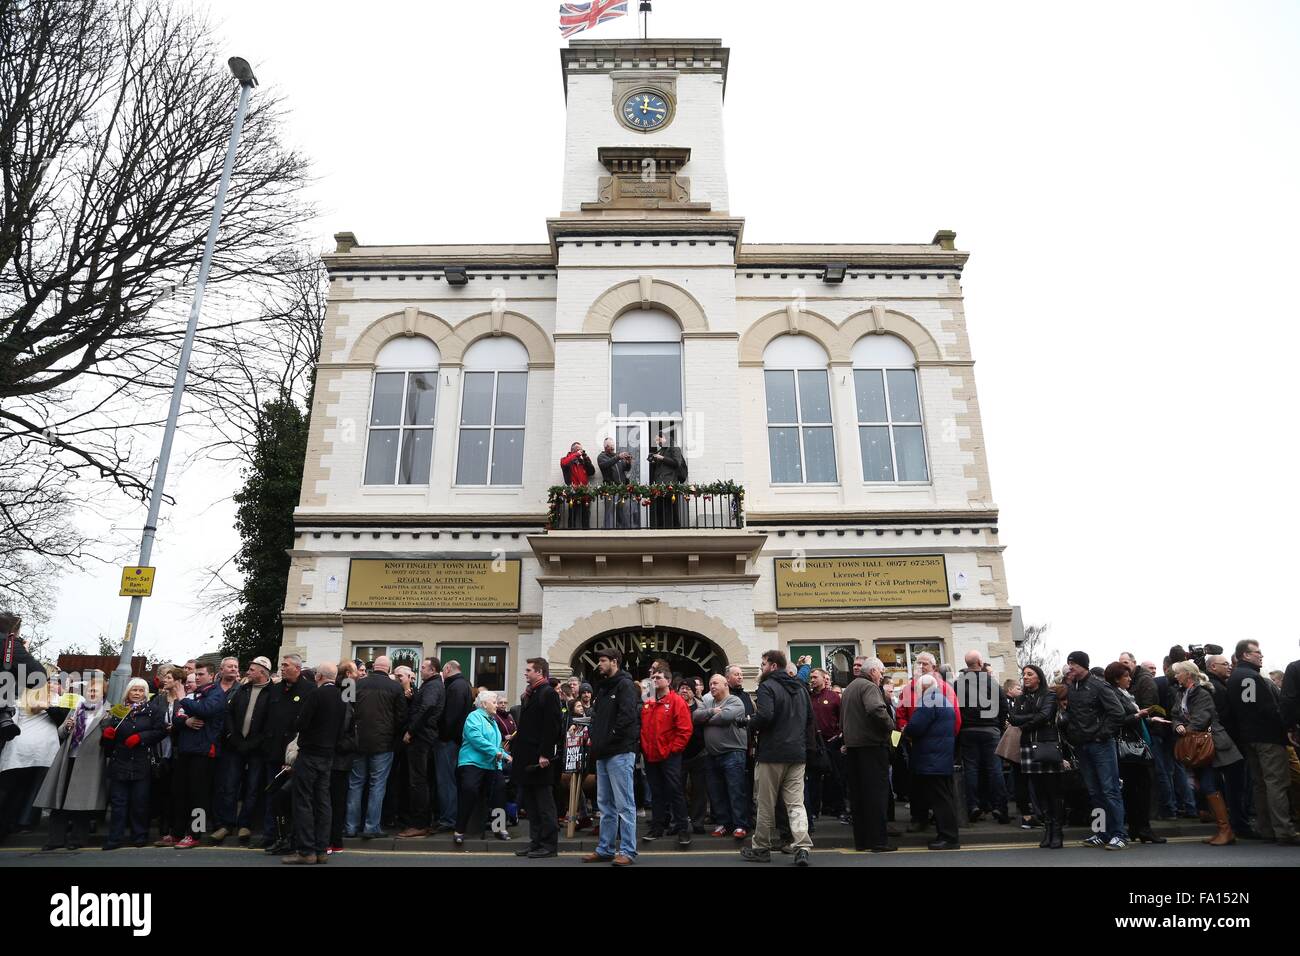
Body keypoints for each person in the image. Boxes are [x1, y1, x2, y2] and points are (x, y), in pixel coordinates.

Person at [740, 650, 814, 866]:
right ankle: (802, 846)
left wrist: (748, 722)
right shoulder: (800, 687)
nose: (761, 668)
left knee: (765, 803)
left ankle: (761, 847)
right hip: (797, 753)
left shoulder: (766, 686)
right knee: (796, 804)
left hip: (772, 753)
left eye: (763, 664)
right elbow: (809, 718)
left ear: (773, 666)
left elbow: (765, 716)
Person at [1226, 639, 1299, 844]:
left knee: (1260, 785)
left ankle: (1266, 829)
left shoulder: (1233, 678)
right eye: (1257, 652)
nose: (1261, 655)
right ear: (1245, 655)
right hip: (1268, 737)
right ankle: (1284, 831)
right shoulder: (1250, 677)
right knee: (1277, 783)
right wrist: (1286, 726)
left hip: (1247, 738)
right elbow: (1264, 709)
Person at [1169, 660, 1243, 846]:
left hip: (1211, 745)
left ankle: (1226, 831)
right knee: (1208, 786)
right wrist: (1177, 725)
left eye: (1178, 673)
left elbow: (1202, 718)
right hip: (1196, 746)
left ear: (1188, 674)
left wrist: (1186, 730)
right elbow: (1175, 714)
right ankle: (1224, 830)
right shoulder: (1181, 693)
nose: (1175, 676)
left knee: (1210, 786)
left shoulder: (1202, 693)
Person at [34, 672, 110, 851]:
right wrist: (67, 727)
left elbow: (109, 740)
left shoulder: (107, 712)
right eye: (90, 690)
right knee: (58, 800)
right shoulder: (77, 708)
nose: (92, 693)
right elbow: (61, 733)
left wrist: (107, 725)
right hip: (68, 759)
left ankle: (77, 839)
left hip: (90, 762)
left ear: (103, 693)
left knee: (81, 803)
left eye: (96, 690)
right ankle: (55, 839)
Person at [1061, 651, 1127, 850]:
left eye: (1073, 663)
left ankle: (1119, 834)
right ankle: (1101, 833)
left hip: (1101, 746)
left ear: (1083, 665)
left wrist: (1101, 734)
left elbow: (1118, 712)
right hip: (1082, 746)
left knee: (1109, 790)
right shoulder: (1072, 688)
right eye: (1069, 663)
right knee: (1094, 792)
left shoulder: (1099, 685)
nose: (1070, 667)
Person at [282, 662, 346, 865]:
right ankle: (321, 849)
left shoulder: (316, 695)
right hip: (328, 755)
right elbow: (344, 728)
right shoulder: (342, 697)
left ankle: (306, 850)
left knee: (303, 801)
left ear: (318, 676)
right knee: (323, 802)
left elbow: (301, 723)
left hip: (309, 753)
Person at [583, 648, 641, 865]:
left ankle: (627, 851)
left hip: (620, 752)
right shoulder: (604, 687)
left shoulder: (625, 685)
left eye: (603, 660)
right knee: (605, 805)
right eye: (599, 660)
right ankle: (605, 849)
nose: (599, 663)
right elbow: (598, 717)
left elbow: (627, 717)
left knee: (624, 805)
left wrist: (609, 737)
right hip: (603, 753)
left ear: (615, 662)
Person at [98, 678, 168, 850]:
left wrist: (141, 738)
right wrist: (106, 737)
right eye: (134, 690)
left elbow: (160, 731)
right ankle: (114, 838)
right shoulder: (118, 710)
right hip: (119, 761)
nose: (137, 693)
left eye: (140, 690)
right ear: (127, 692)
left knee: (140, 802)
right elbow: (107, 745)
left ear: (145, 692)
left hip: (142, 760)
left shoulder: (154, 710)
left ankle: (140, 836)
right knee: (118, 803)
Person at [170, 660, 231, 848]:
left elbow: (205, 711)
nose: (197, 678)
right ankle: (177, 833)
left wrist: (183, 699)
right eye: (196, 675)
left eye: (201, 674)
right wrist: (186, 722)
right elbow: (177, 718)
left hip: (204, 751)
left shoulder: (216, 694)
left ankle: (195, 834)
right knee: (180, 793)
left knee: (199, 795)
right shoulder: (193, 695)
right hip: (186, 749)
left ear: (212, 676)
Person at [213, 656, 273, 846]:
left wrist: (254, 742)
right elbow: (229, 713)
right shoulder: (242, 689)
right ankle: (226, 824)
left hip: (257, 749)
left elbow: (271, 724)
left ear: (263, 672)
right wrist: (232, 736)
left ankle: (244, 824)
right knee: (230, 785)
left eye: (252, 669)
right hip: (235, 746)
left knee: (253, 786)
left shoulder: (273, 693)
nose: (247, 672)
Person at [346, 654, 407, 840]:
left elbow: (345, 710)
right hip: (383, 743)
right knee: (377, 786)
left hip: (358, 742)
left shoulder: (355, 684)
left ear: (373, 667)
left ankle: (350, 827)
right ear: (388, 669)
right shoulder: (396, 687)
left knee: (355, 784)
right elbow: (402, 717)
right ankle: (371, 827)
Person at [1104, 662, 1164, 844]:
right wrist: (1138, 715)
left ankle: (1137, 827)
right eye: (1126, 676)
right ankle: (1142, 828)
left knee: (1135, 789)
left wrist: (1148, 717)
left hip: (1135, 744)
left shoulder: (1124, 694)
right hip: (1129, 748)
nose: (1130, 679)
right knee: (1140, 788)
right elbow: (1118, 719)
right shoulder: (1114, 694)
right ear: (1116, 679)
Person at [840, 657, 895, 852]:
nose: (881, 676)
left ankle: (862, 842)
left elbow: (843, 719)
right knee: (876, 796)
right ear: (873, 672)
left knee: (859, 797)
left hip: (853, 747)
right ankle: (879, 841)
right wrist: (891, 725)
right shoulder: (870, 687)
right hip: (871, 747)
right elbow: (875, 709)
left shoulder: (850, 688)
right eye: (880, 672)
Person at [261, 654, 315, 853]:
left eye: (286, 665)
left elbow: (307, 726)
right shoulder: (274, 690)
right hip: (273, 751)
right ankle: (273, 836)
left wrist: (295, 757)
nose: (282, 668)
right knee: (272, 796)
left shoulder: (309, 690)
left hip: (294, 756)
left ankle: (291, 839)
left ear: (298, 668)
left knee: (290, 800)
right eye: (281, 665)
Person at [512, 657, 564, 858]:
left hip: (539, 759)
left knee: (544, 804)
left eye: (528, 670)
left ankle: (549, 845)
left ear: (540, 672)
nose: (525, 673)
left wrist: (545, 754)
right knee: (531, 805)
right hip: (526, 757)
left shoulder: (548, 693)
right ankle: (535, 842)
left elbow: (553, 726)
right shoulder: (530, 694)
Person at [902, 673, 962, 851]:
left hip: (931, 759)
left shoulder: (928, 701)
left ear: (923, 688)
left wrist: (906, 729)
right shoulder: (943, 700)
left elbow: (916, 727)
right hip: (940, 757)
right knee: (943, 798)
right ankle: (947, 835)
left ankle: (949, 838)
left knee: (940, 800)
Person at [1009, 665, 1064, 848]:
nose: (1025, 677)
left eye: (1029, 674)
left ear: (1038, 677)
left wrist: (1026, 723)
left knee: (1052, 791)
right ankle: (1047, 830)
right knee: (1039, 792)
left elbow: (1046, 715)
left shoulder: (1049, 695)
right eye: (1023, 674)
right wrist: (1033, 719)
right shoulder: (1021, 697)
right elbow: (1014, 719)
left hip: (1046, 744)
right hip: (1027, 746)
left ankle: (1057, 831)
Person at [639, 663, 694, 847]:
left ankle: (683, 829)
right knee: (656, 793)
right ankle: (657, 827)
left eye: (658, 678)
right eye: (653, 678)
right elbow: (645, 730)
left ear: (668, 681)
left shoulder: (677, 701)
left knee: (675, 791)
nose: (654, 680)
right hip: (651, 755)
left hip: (669, 756)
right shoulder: (649, 702)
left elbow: (685, 730)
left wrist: (673, 750)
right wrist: (646, 749)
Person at [0, 682, 62, 844]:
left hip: (20, 750)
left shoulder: (19, 701)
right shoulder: (56, 701)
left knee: (14, 790)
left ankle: (11, 823)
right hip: (43, 750)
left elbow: (9, 723)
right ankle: (25, 822)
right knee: (35, 789)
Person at [953, 650, 1009, 824]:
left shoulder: (958, 684)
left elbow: (955, 708)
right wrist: (998, 726)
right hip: (990, 730)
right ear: (979, 661)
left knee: (971, 770)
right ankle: (1000, 807)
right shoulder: (992, 683)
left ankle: (973, 806)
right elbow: (1004, 707)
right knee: (995, 770)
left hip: (968, 731)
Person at [454, 689, 512, 847]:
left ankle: (498, 828)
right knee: (470, 791)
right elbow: (476, 739)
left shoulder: (493, 719)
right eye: (494, 702)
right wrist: (498, 752)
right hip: (472, 763)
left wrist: (502, 753)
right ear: (484, 704)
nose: (496, 705)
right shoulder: (474, 717)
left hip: (492, 765)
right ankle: (460, 830)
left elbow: (496, 743)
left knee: (499, 793)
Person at [696, 673, 749, 839]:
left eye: (715, 684)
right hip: (712, 755)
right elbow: (695, 717)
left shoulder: (735, 701)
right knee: (716, 793)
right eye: (710, 684)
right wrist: (712, 711)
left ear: (726, 685)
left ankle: (740, 825)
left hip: (733, 753)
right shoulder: (707, 702)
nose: (712, 686)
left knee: (735, 790)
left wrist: (707, 718)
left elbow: (726, 717)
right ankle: (723, 824)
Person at [398, 657, 444, 839]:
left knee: (418, 782)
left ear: (432, 670)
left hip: (421, 738)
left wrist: (411, 731)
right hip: (426, 737)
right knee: (423, 781)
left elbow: (427, 707)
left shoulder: (432, 686)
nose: (420, 670)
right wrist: (413, 697)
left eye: (423, 667)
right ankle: (424, 822)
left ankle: (419, 824)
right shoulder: (431, 685)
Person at [435, 660, 473, 832]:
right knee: (451, 780)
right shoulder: (463, 685)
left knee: (446, 781)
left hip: (448, 742)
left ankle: (448, 819)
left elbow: (451, 716)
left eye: (443, 670)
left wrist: (442, 736)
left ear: (448, 668)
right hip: (456, 740)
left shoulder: (455, 687)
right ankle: (450, 817)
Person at [327, 660, 359, 854]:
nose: (357, 675)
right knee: (335, 800)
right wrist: (346, 743)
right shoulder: (348, 686)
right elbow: (348, 719)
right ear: (348, 673)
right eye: (355, 671)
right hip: (338, 755)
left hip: (333, 752)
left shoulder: (335, 687)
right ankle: (334, 840)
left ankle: (332, 840)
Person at [806, 668, 846, 824]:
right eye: (811, 677)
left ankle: (839, 809)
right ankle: (814, 811)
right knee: (813, 779)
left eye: (815, 677)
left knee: (836, 777)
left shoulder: (834, 697)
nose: (812, 679)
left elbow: (843, 717)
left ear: (824, 678)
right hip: (814, 743)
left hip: (831, 742)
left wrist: (840, 735)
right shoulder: (808, 697)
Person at [675, 679, 709, 834]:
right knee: (677, 790)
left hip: (699, 753)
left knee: (699, 790)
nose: (684, 691)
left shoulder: (702, 706)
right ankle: (679, 822)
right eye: (682, 688)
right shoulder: (673, 705)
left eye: (688, 688)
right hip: (678, 754)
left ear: (693, 691)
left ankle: (698, 822)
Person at [647, 432, 687, 528]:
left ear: (664, 437)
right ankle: (661, 530)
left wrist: (661, 457)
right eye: (656, 441)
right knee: (660, 510)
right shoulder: (661, 450)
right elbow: (661, 467)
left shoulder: (674, 447)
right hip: (659, 485)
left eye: (658, 440)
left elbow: (676, 463)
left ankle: (675, 531)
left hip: (670, 485)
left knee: (671, 510)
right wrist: (653, 460)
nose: (657, 443)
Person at [597, 437, 635, 527]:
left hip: (622, 488)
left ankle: (622, 531)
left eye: (613, 446)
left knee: (622, 511)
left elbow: (626, 469)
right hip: (610, 489)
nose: (613, 448)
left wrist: (628, 462)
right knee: (609, 512)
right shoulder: (601, 457)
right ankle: (608, 532)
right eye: (611, 447)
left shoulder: (617, 456)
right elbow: (604, 466)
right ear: (605, 447)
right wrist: (618, 457)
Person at [560, 441, 596, 528]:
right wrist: (576, 455)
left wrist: (586, 458)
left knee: (585, 516)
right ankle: (570, 535)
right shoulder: (566, 459)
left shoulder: (582, 461)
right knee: (572, 515)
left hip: (584, 492)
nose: (581, 452)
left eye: (581, 450)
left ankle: (586, 536)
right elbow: (564, 464)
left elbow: (591, 472)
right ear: (573, 450)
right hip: (573, 492)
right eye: (579, 450)